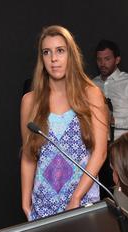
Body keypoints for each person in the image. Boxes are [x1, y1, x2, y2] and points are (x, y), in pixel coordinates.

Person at [20, 25, 108, 221]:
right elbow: (28, 155)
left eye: (60, 50)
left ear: (71, 55)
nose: (54, 59)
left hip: (83, 200)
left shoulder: (91, 94)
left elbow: (100, 152)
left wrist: (76, 197)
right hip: (43, 204)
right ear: (41, 59)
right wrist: (25, 202)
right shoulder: (29, 101)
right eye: (46, 52)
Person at [93, 40, 128, 141]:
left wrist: (114, 121)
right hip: (98, 144)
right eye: (99, 59)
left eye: (107, 59)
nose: (102, 63)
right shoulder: (92, 84)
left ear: (117, 60)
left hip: (125, 146)